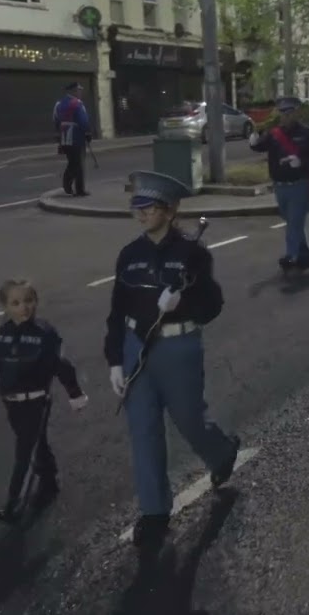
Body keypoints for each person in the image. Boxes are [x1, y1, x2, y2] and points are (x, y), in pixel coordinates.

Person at [104, 171, 240, 548]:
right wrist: (115, 358)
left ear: (171, 209)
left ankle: (222, 451)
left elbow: (213, 305)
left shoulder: (192, 255)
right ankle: (154, 511)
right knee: (143, 430)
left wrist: (184, 303)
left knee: (190, 421)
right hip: (136, 346)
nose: (141, 212)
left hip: (178, 349)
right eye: (138, 206)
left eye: (149, 206)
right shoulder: (129, 255)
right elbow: (116, 311)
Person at [0, 279, 88, 523]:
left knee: (25, 451)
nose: (24, 307)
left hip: (37, 402)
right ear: (5, 307)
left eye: (29, 301)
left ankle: (14, 506)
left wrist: (75, 393)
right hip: (11, 403)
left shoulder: (44, 333)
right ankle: (49, 479)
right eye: (16, 303)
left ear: (36, 302)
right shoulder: (1, 335)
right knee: (35, 444)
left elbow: (60, 366)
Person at [250, 97, 309, 273]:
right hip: (280, 186)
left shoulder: (307, 134)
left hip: (300, 184)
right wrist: (253, 140)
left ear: (297, 113)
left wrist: (301, 162)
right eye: (283, 113)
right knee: (292, 221)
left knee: (294, 223)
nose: (286, 117)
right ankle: (303, 256)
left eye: (289, 113)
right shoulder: (274, 134)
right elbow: (260, 146)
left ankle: (291, 256)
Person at [53, 82, 91, 197]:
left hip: (64, 137)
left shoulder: (58, 104)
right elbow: (83, 121)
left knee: (72, 161)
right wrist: (88, 133)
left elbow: (55, 120)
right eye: (79, 90)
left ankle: (68, 183)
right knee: (78, 163)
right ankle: (77, 189)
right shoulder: (77, 104)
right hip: (76, 137)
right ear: (73, 91)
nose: (80, 92)